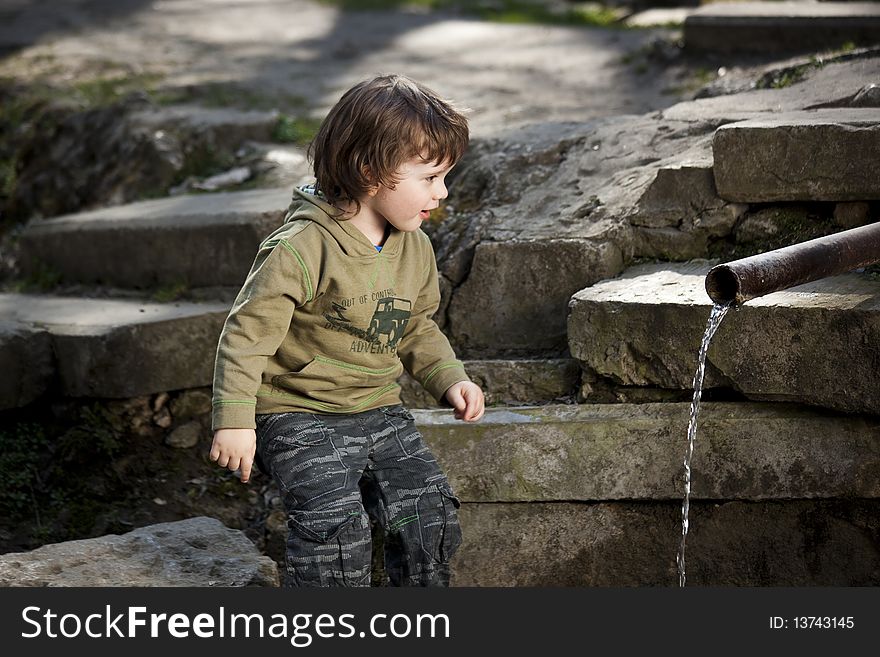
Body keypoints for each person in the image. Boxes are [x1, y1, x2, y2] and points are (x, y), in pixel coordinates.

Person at [209, 74, 485, 587]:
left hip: (376, 405)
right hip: (297, 409)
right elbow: (247, 334)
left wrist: (450, 378)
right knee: (334, 525)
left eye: (445, 178)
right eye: (429, 178)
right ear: (370, 171)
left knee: (428, 516)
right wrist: (234, 421)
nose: (442, 193)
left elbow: (414, 326)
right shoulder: (301, 247)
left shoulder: (414, 246)